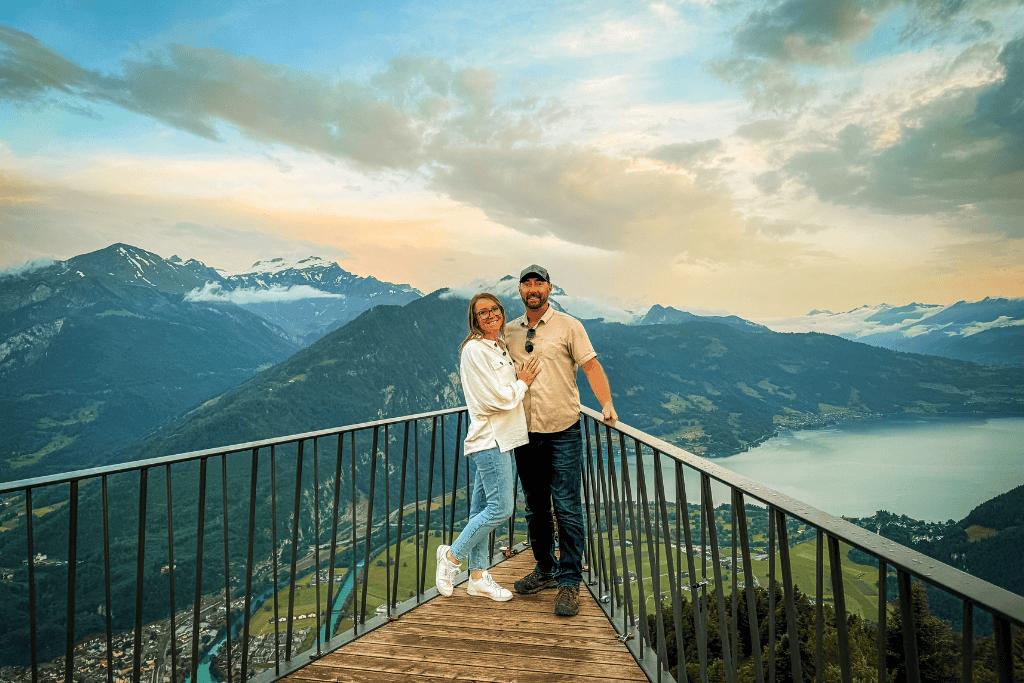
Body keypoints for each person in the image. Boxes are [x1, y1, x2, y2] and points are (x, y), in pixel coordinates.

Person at [505, 264, 617, 617]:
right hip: (524, 433)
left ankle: (569, 582)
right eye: (527, 283)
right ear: (520, 291)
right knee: (535, 508)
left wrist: (606, 404)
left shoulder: (570, 326)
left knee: (567, 509)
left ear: (550, 289)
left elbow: (591, 366)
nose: (533, 288)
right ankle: (546, 569)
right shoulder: (508, 332)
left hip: (562, 431)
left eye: (539, 282)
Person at [435, 292, 541, 601]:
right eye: (483, 312)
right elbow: (496, 399)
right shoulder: (474, 350)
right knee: (501, 508)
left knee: (481, 509)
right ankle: (452, 557)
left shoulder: (499, 347)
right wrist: (523, 381)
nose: (491, 314)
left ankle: (478, 577)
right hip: (490, 439)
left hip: (504, 438)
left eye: (494, 309)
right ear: (475, 319)